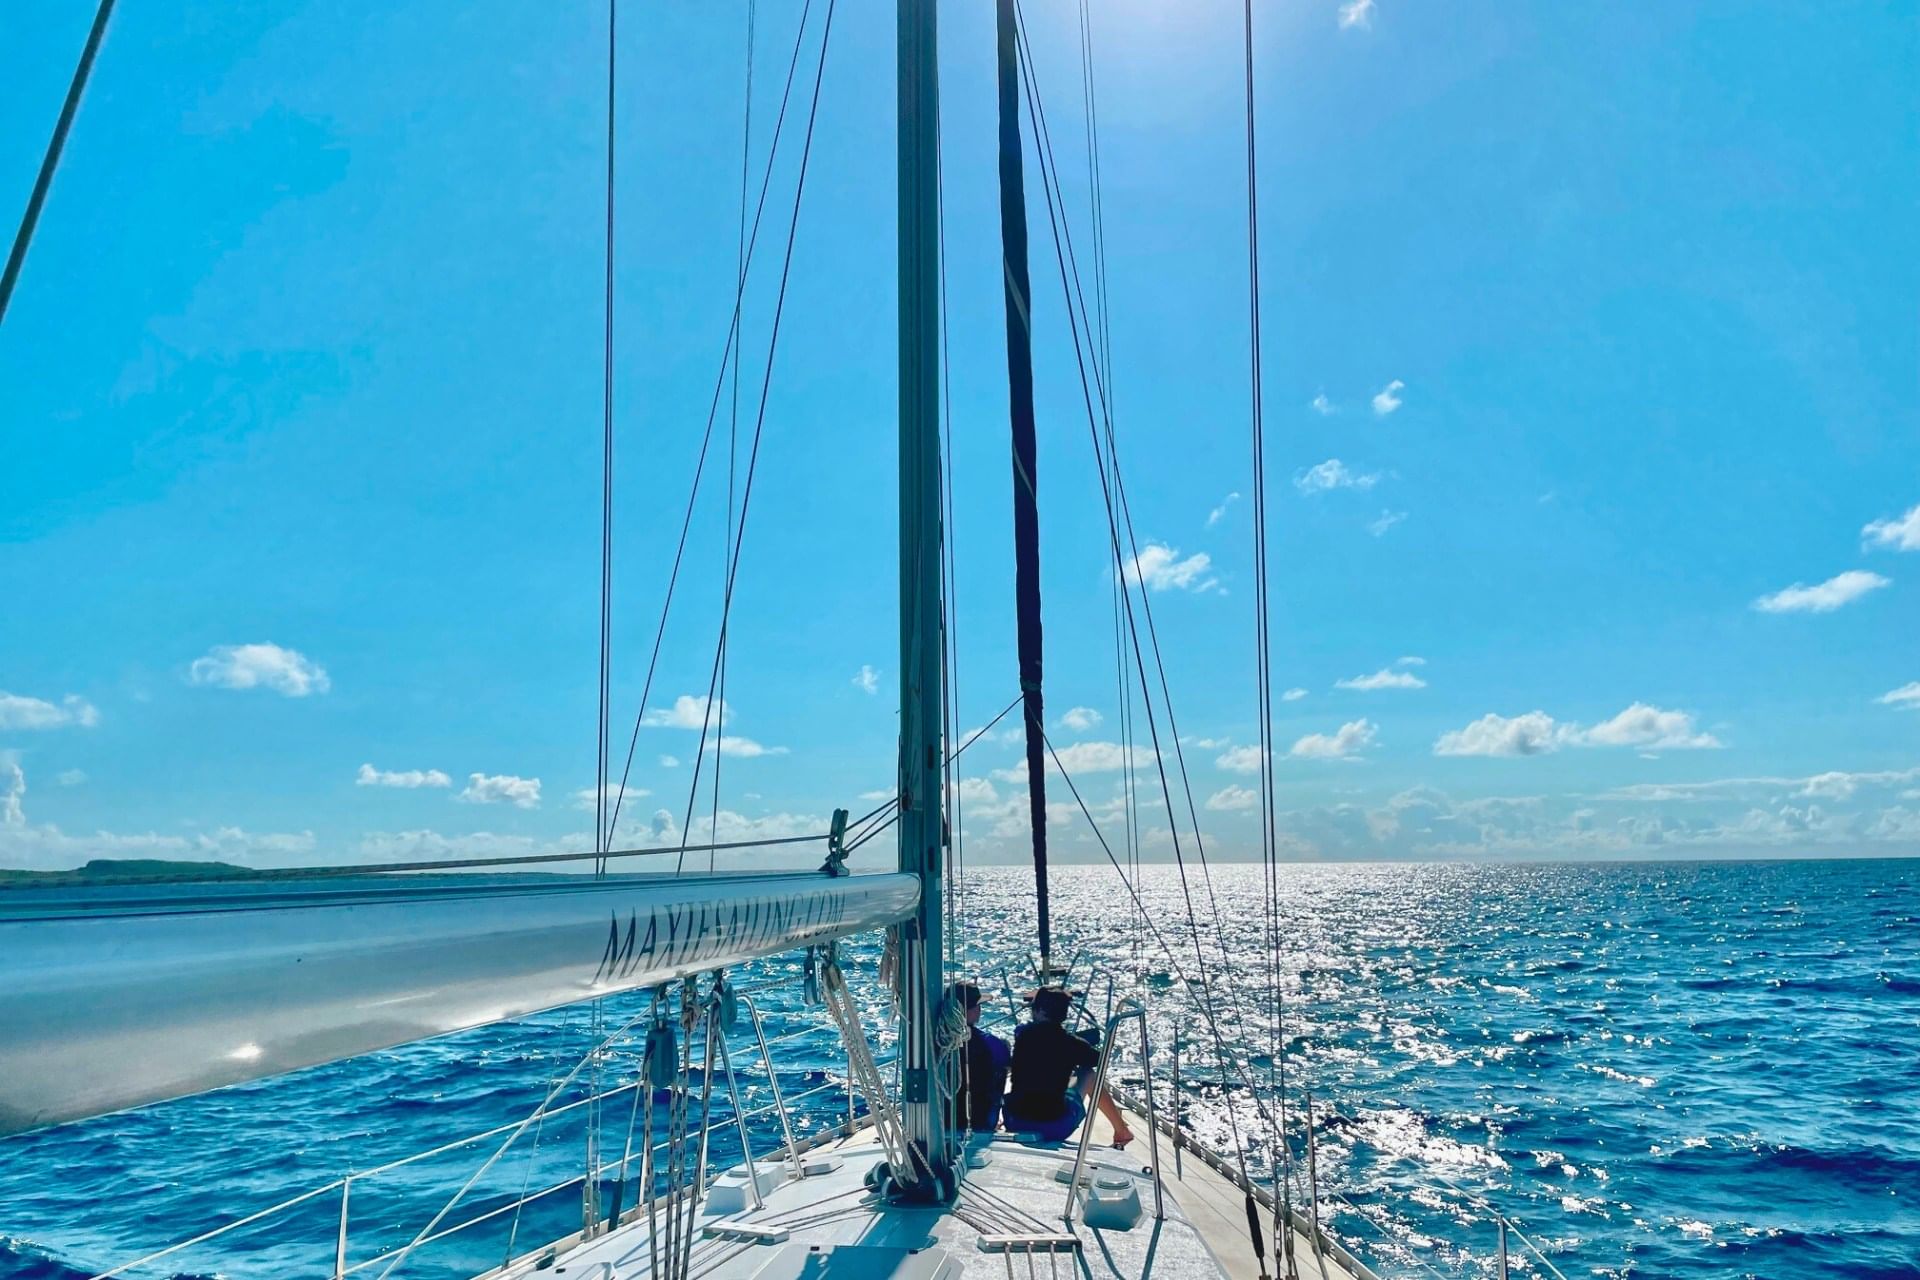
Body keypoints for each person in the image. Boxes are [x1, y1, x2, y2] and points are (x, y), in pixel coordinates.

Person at [1002, 987, 1101, 1142]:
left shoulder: (1023, 1036)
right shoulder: (1071, 1043)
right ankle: (1120, 1129)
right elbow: (1097, 1060)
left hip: (1016, 1122)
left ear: (1039, 1010)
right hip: (1055, 1127)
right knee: (1088, 1073)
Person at [948, 982, 1008, 1134]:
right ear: (965, 1010)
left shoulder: (937, 1043)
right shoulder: (991, 1044)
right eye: (977, 1006)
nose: (980, 1009)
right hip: (980, 1121)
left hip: (944, 1119)